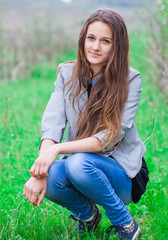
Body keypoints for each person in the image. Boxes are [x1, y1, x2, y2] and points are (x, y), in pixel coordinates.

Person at [23, 9, 149, 240]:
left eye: (105, 41)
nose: (96, 47)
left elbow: (110, 137)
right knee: (51, 173)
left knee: (78, 162)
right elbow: (52, 123)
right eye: (91, 38)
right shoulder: (66, 73)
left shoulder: (130, 79)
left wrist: (58, 149)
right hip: (80, 166)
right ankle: (87, 216)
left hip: (124, 174)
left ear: (117, 46)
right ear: (82, 39)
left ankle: (126, 224)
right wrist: (41, 167)